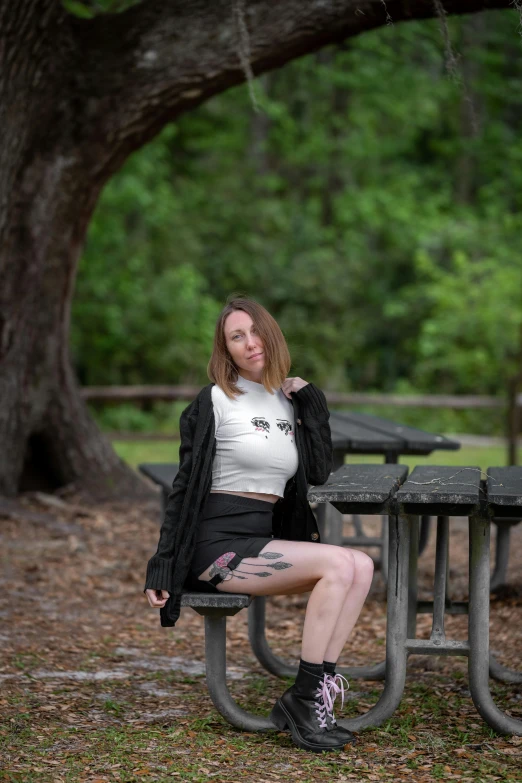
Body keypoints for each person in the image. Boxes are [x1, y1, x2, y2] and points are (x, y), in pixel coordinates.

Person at [144, 296, 374, 753]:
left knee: (361, 566)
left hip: (258, 538)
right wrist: (163, 562)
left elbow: (318, 469)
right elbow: (184, 488)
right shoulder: (214, 400)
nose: (250, 343)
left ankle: (315, 696)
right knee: (338, 566)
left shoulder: (285, 400)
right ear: (225, 350)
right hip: (215, 546)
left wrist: (311, 401)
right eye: (236, 336)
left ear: (270, 335)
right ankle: (305, 699)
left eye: (255, 332)